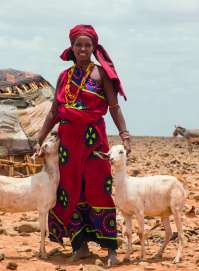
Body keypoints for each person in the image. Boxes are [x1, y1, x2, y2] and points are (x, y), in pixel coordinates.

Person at [34, 24, 131, 266]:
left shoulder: (102, 75)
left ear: (94, 47)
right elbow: (55, 111)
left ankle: (110, 248)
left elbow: (114, 107)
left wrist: (125, 134)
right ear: (72, 47)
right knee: (70, 190)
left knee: (99, 188)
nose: (83, 48)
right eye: (79, 44)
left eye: (87, 45)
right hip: (69, 143)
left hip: (93, 139)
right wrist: (39, 138)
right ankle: (80, 246)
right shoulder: (63, 77)